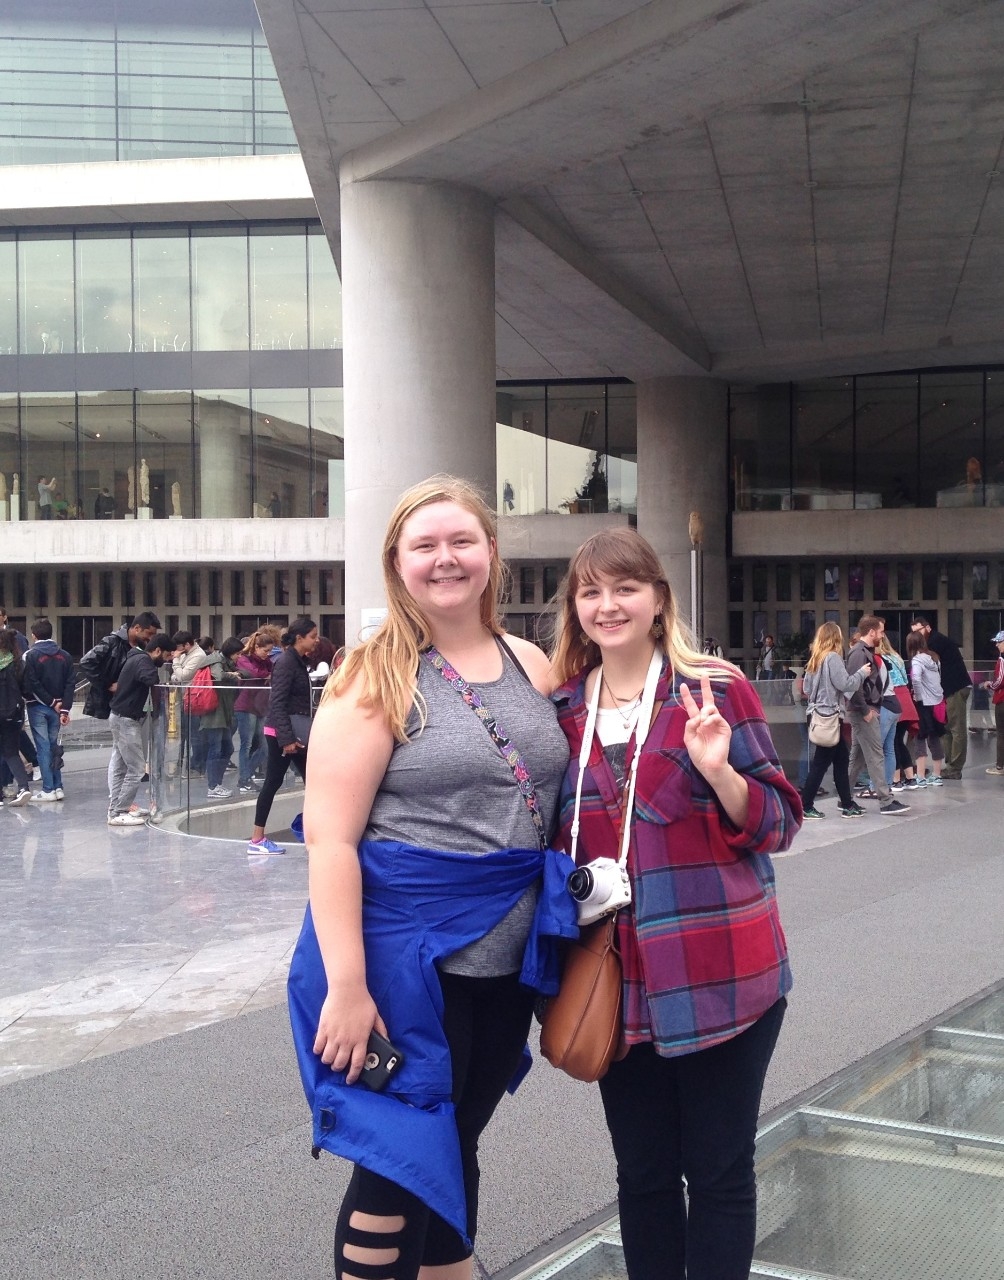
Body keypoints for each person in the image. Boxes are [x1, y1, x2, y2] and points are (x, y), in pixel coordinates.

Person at [287, 476, 574, 1280]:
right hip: (403, 967)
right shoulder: (371, 677)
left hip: (506, 963)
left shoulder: (529, 663)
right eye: (425, 546)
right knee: (396, 1164)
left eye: (461, 541)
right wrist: (348, 988)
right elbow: (331, 841)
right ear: (397, 563)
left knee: (455, 1147)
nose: (445, 559)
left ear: (491, 553)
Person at [549, 527, 800, 1280]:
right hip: (616, 987)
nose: (608, 604)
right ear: (575, 608)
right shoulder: (562, 710)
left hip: (722, 973)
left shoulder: (715, 689)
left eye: (625, 587)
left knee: (720, 1172)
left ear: (659, 600)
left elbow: (780, 821)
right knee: (644, 1175)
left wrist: (722, 774)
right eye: (590, 591)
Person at [247, 616, 319, 854]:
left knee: (313, 782)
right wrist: (286, 739)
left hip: (290, 732)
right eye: (313, 636)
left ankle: (314, 834)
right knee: (273, 782)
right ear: (300, 638)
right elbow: (277, 702)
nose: (316, 641)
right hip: (284, 734)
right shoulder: (287, 662)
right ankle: (257, 839)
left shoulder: (296, 661)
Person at [799, 622, 868, 819]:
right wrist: (862, 673)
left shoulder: (815, 659)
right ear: (835, 637)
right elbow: (845, 683)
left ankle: (847, 803)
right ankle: (806, 805)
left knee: (840, 759)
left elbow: (807, 689)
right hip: (830, 716)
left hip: (817, 714)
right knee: (821, 763)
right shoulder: (833, 658)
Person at [106, 633, 176, 824]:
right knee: (136, 768)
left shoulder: (136, 658)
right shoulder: (143, 662)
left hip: (123, 717)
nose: (169, 660)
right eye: (168, 655)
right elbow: (151, 678)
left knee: (122, 766)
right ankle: (118, 811)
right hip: (125, 720)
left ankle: (116, 809)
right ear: (158, 650)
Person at [845, 616, 909, 815]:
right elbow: (853, 686)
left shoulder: (862, 652)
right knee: (875, 754)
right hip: (863, 711)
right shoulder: (859, 653)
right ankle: (885, 800)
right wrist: (865, 711)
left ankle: (844, 797)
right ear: (871, 632)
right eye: (881, 631)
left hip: (864, 710)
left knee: (859, 756)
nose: (882, 635)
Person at [910, 616, 972, 778]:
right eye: (914, 632)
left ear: (927, 628)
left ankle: (954, 768)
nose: (916, 635)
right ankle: (951, 766)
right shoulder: (935, 641)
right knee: (948, 727)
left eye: (918, 631)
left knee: (955, 728)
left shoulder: (934, 643)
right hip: (949, 688)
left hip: (954, 688)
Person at [22, 617, 75, 802]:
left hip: (38, 707)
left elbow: (32, 683)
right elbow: (70, 684)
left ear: (34, 635)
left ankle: (47, 789)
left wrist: (51, 702)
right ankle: (58, 787)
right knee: (53, 747)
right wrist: (64, 708)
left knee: (42, 748)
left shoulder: (30, 655)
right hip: (58, 710)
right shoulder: (65, 656)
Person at [79, 611, 162, 720]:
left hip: (133, 708)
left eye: (153, 635)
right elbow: (86, 662)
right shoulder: (112, 642)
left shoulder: (144, 647)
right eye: (149, 634)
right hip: (107, 706)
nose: (151, 638)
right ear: (137, 628)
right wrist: (107, 684)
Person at [200, 637, 240, 801]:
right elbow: (217, 676)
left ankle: (217, 783)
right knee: (216, 749)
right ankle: (213, 786)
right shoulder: (217, 660)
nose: (239, 657)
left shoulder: (227, 662)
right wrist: (232, 675)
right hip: (214, 712)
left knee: (226, 748)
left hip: (223, 711)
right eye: (238, 653)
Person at [234, 629, 274, 793]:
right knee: (247, 743)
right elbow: (252, 673)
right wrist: (267, 675)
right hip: (245, 706)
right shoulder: (244, 659)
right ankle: (244, 778)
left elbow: (272, 672)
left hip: (261, 706)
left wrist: (268, 674)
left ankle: (245, 775)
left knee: (265, 746)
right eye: (266, 650)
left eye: (270, 651)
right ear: (257, 647)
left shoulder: (267, 661)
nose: (268, 654)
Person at [906, 632, 945, 786]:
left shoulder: (916, 660)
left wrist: (918, 695)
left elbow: (915, 678)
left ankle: (920, 775)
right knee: (935, 737)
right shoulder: (934, 658)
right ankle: (937, 774)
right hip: (937, 701)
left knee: (919, 737)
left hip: (923, 704)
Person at [0, 627, 32, 806]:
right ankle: (23, 787)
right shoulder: (19, 663)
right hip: (14, 714)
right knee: (11, 753)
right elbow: (27, 690)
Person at [982, 630, 1004, 776]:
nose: (997, 645)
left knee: (1001, 734)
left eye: (999, 642)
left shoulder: (1002, 660)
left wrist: (990, 684)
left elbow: (1000, 680)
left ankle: (1000, 766)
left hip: (1002, 700)